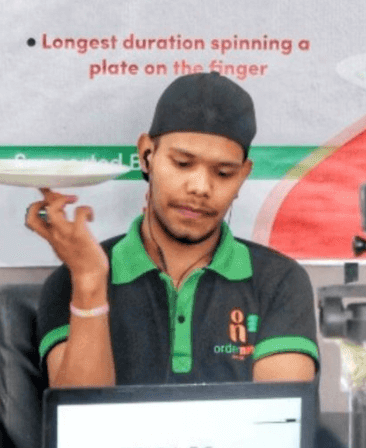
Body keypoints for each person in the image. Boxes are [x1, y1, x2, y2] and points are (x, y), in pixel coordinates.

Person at [26, 72, 319, 387]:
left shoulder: (279, 282)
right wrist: (88, 282)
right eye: (182, 163)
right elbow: (78, 421)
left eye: (223, 173)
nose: (200, 187)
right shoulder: (71, 281)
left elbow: (279, 422)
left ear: (243, 177)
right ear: (146, 155)